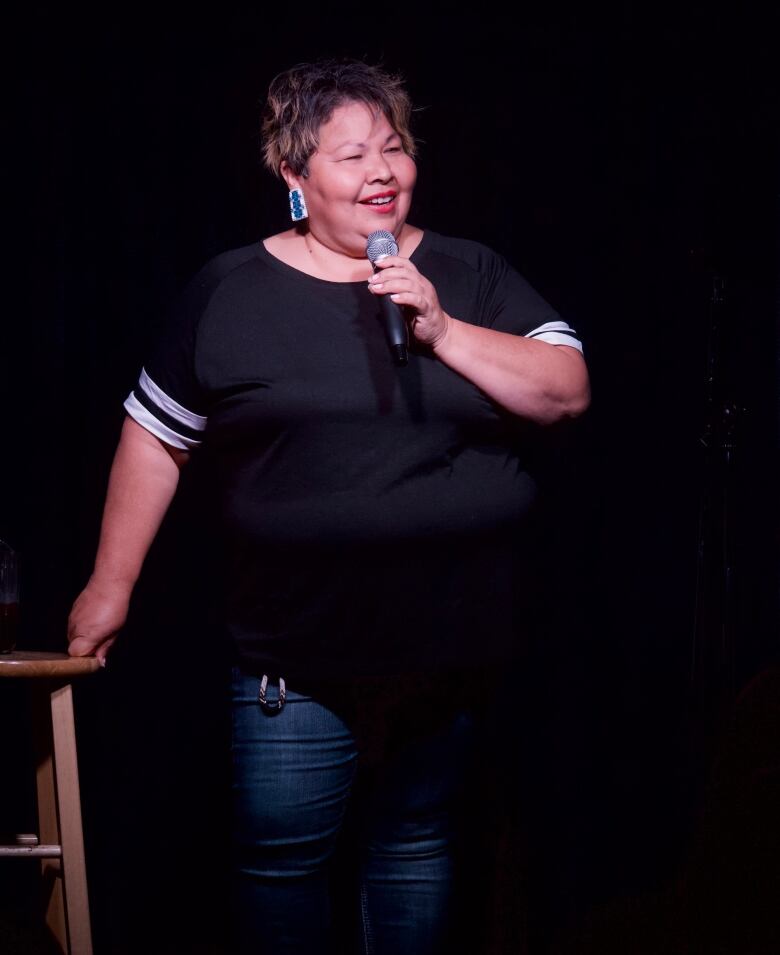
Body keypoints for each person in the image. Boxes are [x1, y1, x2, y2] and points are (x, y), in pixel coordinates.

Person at [67, 58, 590, 954]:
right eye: (352, 156)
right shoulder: (229, 291)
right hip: (295, 663)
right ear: (296, 178)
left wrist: (443, 329)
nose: (382, 172)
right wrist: (109, 586)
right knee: (281, 867)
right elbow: (155, 435)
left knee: (416, 851)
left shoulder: (469, 272)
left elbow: (567, 391)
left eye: (394, 148)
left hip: (445, 655)